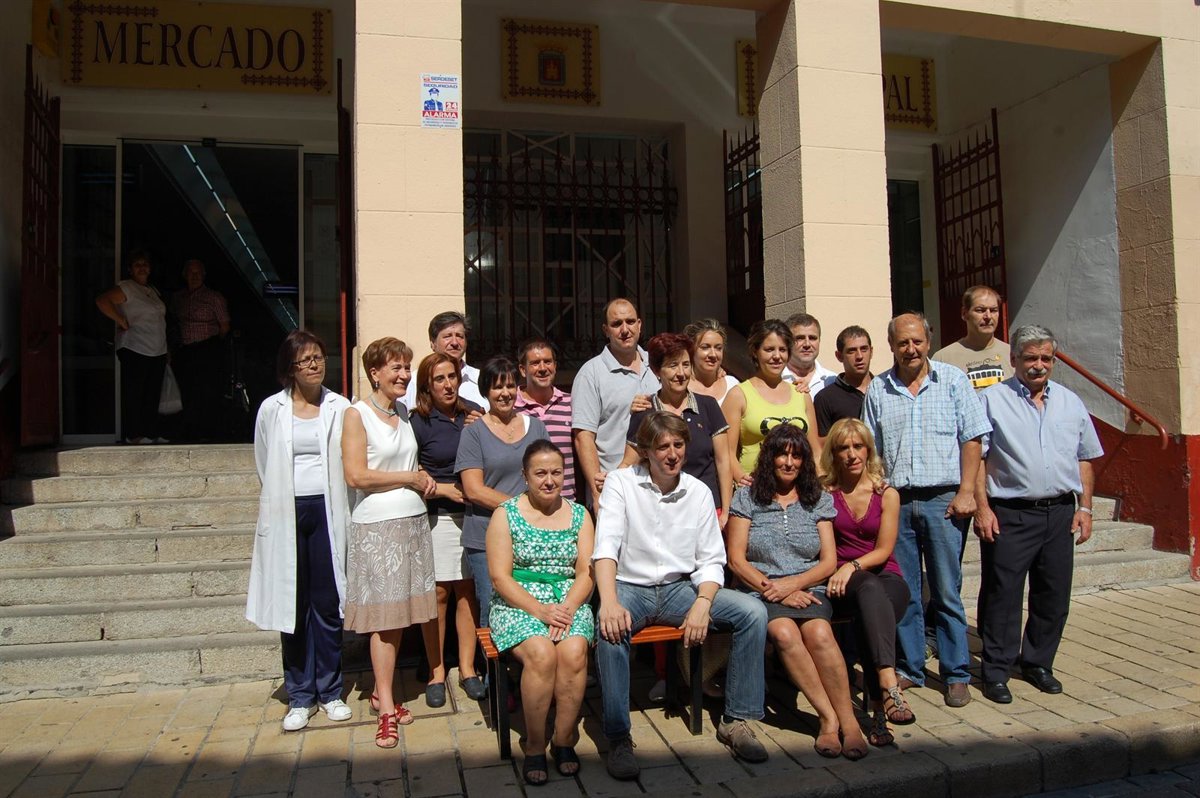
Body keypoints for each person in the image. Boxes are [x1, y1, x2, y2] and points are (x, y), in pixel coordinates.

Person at [594, 412, 768, 779]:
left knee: (752, 612)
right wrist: (608, 602)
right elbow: (605, 547)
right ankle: (619, 737)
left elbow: (712, 560)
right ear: (646, 451)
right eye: (663, 447)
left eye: (678, 445)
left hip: (679, 589)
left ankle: (736, 720)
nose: (672, 454)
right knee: (609, 630)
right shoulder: (621, 483)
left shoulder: (698, 491)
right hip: (631, 587)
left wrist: (703, 603)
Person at [862, 312, 990, 707]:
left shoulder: (952, 381)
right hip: (897, 502)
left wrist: (967, 492)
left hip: (943, 501)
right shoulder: (879, 388)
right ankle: (912, 667)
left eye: (916, 341)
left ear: (928, 342)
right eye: (902, 342)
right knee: (906, 591)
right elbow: (870, 447)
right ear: (891, 346)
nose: (910, 349)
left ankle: (956, 673)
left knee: (946, 590)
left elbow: (973, 439)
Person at [973, 325, 1103, 704]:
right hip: (1010, 513)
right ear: (1013, 359)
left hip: (1060, 512)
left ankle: (1038, 662)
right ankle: (996, 670)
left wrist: (1085, 507)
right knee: (1002, 596)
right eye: (1030, 358)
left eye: (1046, 358)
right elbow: (977, 458)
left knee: (1053, 595)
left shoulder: (1071, 402)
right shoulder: (991, 400)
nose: (1039, 365)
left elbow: (1084, 457)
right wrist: (982, 508)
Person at [725, 423, 868, 761]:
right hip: (761, 589)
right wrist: (775, 589)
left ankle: (850, 722)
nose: (789, 462)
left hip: (808, 586)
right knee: (784, 632)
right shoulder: (747, 498)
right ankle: (827, 718)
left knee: (819, 633)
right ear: (769, 458)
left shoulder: (817, 499)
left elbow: (828, 561)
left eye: (797, 455)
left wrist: (794, 584)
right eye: (782, 454)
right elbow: (736, 560)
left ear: (805, 461)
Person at [246, 330, 354, 733]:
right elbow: (264, 461)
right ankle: (300, 695)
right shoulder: (271, 409)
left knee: (326, 603)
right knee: (292, 605)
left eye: (318, 357)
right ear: (289, 368)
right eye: (305, 360)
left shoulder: (340, 406)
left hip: (328, 510)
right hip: (288, 511)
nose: (314, 365)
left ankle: (330, 691)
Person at [341, 337, 438, 748]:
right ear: (374, 373)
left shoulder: (400, 412)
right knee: (383, 620)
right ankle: (385, 709)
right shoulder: (356, 414)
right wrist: (409, 478)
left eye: (406, 367)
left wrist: (420, 476)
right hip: (378, 529)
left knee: (398, 617)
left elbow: (403, 462)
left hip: (412, 523)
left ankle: (382, 693)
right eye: (396, 368)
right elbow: (356, 475)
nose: (404, 375)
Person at [486, 440, 596, 785]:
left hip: (567, 600)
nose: (549, 480)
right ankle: (534, 744)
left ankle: (564, 738)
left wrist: (568, 607)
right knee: (541, 653)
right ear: (525, 475)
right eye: (540, 473)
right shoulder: (505, 514)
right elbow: (499, 577)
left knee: (574, 651)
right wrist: (540, 610)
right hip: (519, 602)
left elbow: (586, 572)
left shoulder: (580, 514)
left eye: (556, 473)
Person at [819, 418, 913, 746]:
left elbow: (885, 550)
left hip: (885, 577)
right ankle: (887, 689)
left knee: (870, 603)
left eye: (858, 446)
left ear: (869, 450)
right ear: (833, 453)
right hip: (842, 582)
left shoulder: (886, 494)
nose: (851, 454)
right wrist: (844, 569)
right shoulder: (825, 494)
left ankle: (878, 703)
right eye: (843, 448)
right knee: (867, 595)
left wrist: (853, 565)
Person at [456, 355, 550, 635]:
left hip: (532, 534)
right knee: (493, 607)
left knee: (533, 606)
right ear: (485, 391)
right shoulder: (473, 433)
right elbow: (473, 489)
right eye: (497, 387)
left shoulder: (536, 427)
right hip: (486, 535)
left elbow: (547, 473)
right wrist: (522, 507)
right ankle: (494, 666)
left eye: (510, 385)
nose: (505, 393)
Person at [410, 353, 485, 709]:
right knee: (439, 594)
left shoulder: (473, 414)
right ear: (427, 385)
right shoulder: (418, 421)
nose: (447, 384)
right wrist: (443, 490)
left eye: (452, 376)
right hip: (437, 516)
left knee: (467, 592)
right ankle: (436, 671)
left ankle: (468, 668)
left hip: (472, 516)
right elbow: (413, 471)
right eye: (439, 379)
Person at [621, 333, 733, 521]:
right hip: (660, 511)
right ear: (657, 371)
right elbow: (629, 463)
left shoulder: (708, 406)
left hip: (707, 509)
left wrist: (726, 511)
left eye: (686, 365)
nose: (681, 373)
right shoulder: (645, 411)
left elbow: (723, 462)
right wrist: (611, 480)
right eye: (673, 366)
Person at [571, 298, 659, 505]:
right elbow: (583, 437)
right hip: (615, 489)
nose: (625, 329)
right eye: (617, 324)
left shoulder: (658, 365)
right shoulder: (591, 373)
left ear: (639, 325)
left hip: (660, 485)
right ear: (606, 330)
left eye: (630, 322)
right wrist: (597, 493)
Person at [723, 319, 822, 487]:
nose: (777, 356)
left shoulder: (801, 394)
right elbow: (727, 452)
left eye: (782, 349)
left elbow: (816, 451)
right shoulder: (738, 395)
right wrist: (740, 477)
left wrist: (821, 483)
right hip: (756, 489)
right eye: (769, 349)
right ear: (755, 351)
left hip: (799, 490)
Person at [95, 251, 169, 444]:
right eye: (137, 264)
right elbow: (102, 301)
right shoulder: (127, 287)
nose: (142, 267)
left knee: (152, 394)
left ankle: (150, 432)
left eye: (145, 264)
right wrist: (121, 320)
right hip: (136, 347)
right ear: (130, 269)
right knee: (135, 392)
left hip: (157, 349)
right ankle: (134, 434)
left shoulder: (151, 290)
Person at [170, 259, 231, 442]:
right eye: (191, 272)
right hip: (185, 350)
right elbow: (173, 322)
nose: (194, 276)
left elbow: (225, 326)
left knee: (207, 391)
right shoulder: (178, 298)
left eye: (198, 273)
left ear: (204, 275)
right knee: (186, 390)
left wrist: (213, 345)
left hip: (207, 349)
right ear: (185, 275)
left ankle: (207, 432)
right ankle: (188, 432)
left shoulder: (214, 297)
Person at [515, 338, 577, 501]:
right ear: (523, 370)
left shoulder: (572, 404)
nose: (543, 368)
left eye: (547, 362)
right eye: (535, 363)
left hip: (566, 503)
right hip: (524, 505)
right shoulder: (510, 407)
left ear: (555, 366)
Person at [933, 285, 1013, 392]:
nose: (988, 316)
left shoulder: (1012, 354)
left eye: (993, 310)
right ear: (964, 314)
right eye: (980, 310)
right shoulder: (943, 359)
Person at [403, 311, 487, 409]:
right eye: (447, 336)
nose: (455, 343)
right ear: (433, 343)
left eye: (459, 336)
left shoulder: (482, 379)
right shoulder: (413, 382)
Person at [814, 326, 874, 439]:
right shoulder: (825, 399)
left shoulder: (885, 390)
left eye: (864, 349)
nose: (859, 356)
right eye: (851, 351)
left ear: (871, 352)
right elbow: (822, 445)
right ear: (839, 356)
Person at [683, 318, 741, 405]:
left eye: (718, 348)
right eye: (705, 347)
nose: (713, 354)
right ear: (691, 350)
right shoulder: (679, 387)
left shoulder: (732, 385)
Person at [781, 313, 837, 398]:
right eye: (800, 338)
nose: (807, 344)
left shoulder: (832, 381)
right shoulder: (774, 381)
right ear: (787, 342)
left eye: (812, 338)